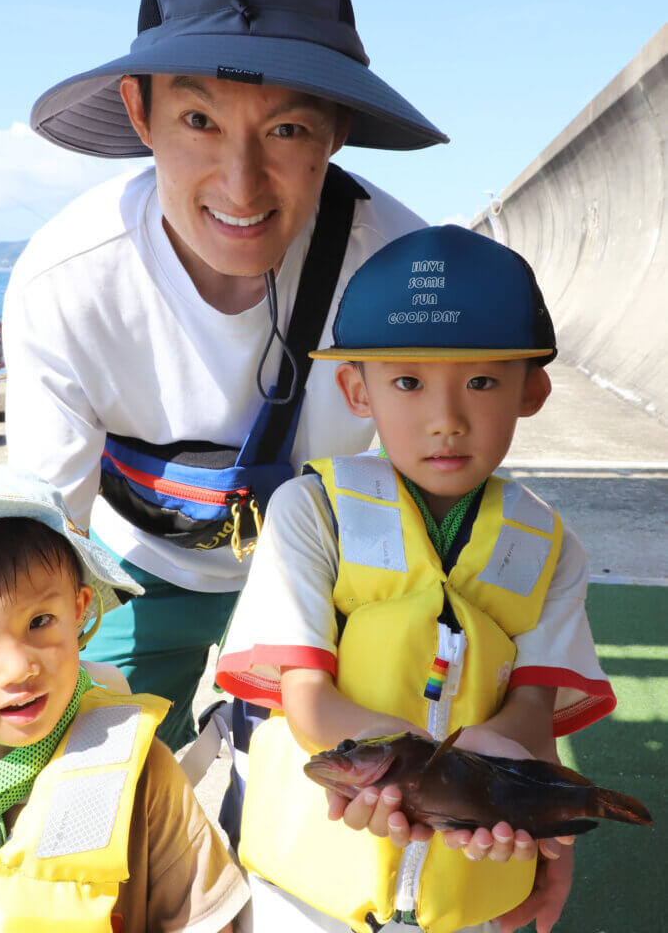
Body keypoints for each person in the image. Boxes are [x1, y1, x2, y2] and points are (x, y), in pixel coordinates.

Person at [3, 0, 449, 751]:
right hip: (141, 570)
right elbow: (42, 528)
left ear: (336, 128)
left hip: (336, 572)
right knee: (81, 783)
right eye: (199, 119)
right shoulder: (66, 280)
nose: (241, 184)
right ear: (141, 111)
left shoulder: (400, 275)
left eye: (286, 131)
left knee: (341, 803)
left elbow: (441, 487)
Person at [215, 226, 616, 933]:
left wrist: (549, 846)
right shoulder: (311, 512)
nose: (445, 419)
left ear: (533, 390)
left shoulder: (552, 547)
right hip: (309, 890)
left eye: (483, 381)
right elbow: (304, 697)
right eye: (406, 381)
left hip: (476, 875)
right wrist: (395, 760)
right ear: (354, 389)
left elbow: (531, 718)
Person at [0, 466, 249, 933]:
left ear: (78, 611)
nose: (20, 668)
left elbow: (208, 923)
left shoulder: (143, 775)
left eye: (40, 622)